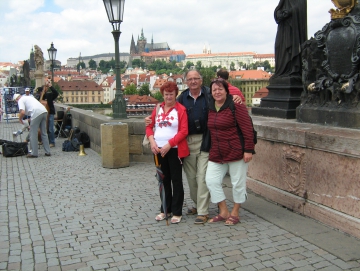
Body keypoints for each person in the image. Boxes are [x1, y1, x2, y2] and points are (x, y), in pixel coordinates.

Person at [145, 69, 243, 224]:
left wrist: (235, 97)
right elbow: (167, 109)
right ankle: (198, 205)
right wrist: (151, 119)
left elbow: (223, 97)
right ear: (186, 81)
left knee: (202, 176)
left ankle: (203, 212)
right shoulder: (182, 98)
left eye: (196, 78)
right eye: (190, 79)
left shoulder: (209, 94)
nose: (193, 81)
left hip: (206, 139)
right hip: (186, 142)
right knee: (191, 178)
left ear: (201, 80)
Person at [205, 78, 254, 226]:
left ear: (226, 91)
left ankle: (235, 211)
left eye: (220, 89)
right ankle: (224, 210)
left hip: (236, 151)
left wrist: (248, 150)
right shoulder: (210, 107)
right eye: (214, 90)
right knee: (211, 181)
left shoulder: (236, 106)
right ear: (211, 93)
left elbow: (247, 129)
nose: (217, 92)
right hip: (217, 152)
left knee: (238, 183)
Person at [145, 81, 189, 224]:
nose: (169, 97)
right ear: (162, 95)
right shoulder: (157, 109)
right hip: (158, 150)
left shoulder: (180, 109)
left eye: (171, 94)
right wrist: (152, 142)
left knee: (176, 180)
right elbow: (149, 127)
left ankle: (176, 211)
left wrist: (169, 144)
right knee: (163, 181)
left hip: (174, 150)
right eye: (166, 94)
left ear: (176, 94)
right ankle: (165, 209)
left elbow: (184, 131)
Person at [272, 0, 307, 79]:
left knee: (290, 48)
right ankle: (280, 72)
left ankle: (292, 70)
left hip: (293, 29)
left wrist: (290, 11)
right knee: (279, 47)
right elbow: (278, 9)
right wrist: (278, 13)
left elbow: (300, 8)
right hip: (283, 27)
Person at [13, 93, 51, 158]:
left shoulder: (20, 100)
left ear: (16, 99)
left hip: (36, 112)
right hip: (44, 111)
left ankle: (34, 153)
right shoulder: (29, 97)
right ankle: (48, 151)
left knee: (33, 133)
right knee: (44, 133)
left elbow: (22, 112)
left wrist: (20, 119)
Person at [37, 81, 59, 147]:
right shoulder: (39, 98)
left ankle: (52, 142)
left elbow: (56, 93)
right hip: (42, 114)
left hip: (50, 113)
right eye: (39, 93)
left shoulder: (49, 95)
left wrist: (50, 86)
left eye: (40, 92)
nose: (39, 94)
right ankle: (42, 140)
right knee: (43, 129)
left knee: (50, 128)